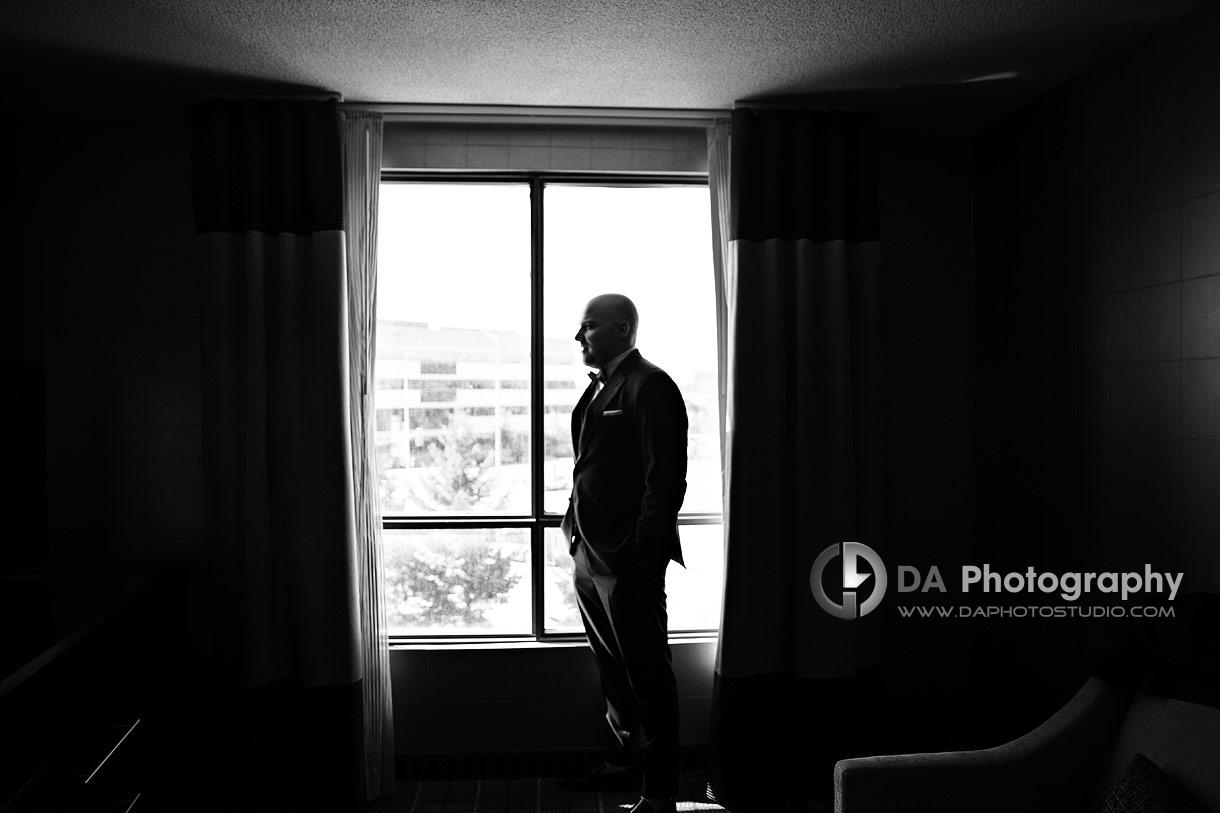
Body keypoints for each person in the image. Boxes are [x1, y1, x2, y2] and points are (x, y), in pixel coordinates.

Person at [556, 293, 688, 813]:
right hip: (588, 553)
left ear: (622, 330)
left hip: (627, 560)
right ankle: (619, 761)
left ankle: (658, 795)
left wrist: (642, 556)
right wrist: (573, 530)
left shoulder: (650, 385)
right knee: (612, 668)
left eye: (588, 326)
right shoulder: (603, 387)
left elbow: (665, 481)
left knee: (648, 675)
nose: (578, 337)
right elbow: (590, 465)